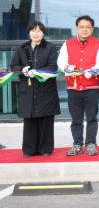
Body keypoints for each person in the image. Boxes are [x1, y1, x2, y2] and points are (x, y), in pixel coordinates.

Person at [57, 15, 99, 156]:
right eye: (81, 27)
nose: (84, 30)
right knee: (76, 119)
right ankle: (77, 144)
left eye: (88, 27)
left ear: (92, 29)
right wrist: (67, 68)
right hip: (73, 87)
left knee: (92, 117)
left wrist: (92, 72)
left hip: (91, 87)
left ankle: (91, 143)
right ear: (77, 28)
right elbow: (61, 61)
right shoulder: (67, 44)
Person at [10, 22, 60, 157]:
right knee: (29, 120)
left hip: (45, 89)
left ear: (43, 33)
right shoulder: (22, 48)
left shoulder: (50, 47)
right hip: (28, 88)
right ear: (29, 32)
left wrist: (37, 71)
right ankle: (29, 149)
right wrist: (22, 69)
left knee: (45, 120)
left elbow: (53, 67)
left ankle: (45, 149)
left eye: (39, 31)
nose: (35, 33)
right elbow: (13, 65)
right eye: (33, 30)